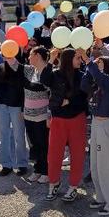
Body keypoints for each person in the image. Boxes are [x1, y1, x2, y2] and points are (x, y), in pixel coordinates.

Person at [41, 48, 89, 201]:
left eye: (80, 58)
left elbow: (85, 98)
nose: (79, 61)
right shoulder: (55, 74)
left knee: (77, 154)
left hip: (77, 119)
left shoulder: (82, 76)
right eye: (77, 58)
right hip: (59, 120)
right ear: (68, 59)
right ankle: (53, 183)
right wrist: (50, 60)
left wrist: (69, 101)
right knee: (54, 154)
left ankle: (73, 186)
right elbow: (44, 80)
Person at [81, 52, 109, 216]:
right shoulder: (96, 82)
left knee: (106, 166)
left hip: (106, 124)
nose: (96, 64)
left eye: (100, 63)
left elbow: (101, 78)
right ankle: (101, 197)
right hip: (96, 124)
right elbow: (84, 85)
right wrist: (88, 68)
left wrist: (89, 61)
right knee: (95, 165)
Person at [0, 50, 29, 177]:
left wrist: (14, 63)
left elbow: (21, 82)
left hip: (16, 105)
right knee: (3, 135)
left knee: (19, 135)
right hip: (2, 104)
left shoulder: (21, 67)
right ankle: (6, 164)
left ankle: (22, 164)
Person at [21, 47, 51, 183]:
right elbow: (12, 63)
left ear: (38, 56)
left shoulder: (49, 72)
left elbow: (52, 95)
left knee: (43, 143)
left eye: (31, 55)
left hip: (42, 116)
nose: (28, 57)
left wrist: (50, 115)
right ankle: (37, 169)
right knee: (33, 144)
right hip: (28, 115)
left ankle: (46, 171)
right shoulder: (29, 70)